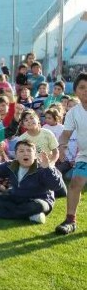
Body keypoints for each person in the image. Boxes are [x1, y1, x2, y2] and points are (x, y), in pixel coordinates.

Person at [0, 140, 66, 223]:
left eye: (29, 151)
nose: (25, 153)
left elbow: (56, 186)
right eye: (21, 151)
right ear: (16, 155)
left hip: (39, 200)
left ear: (35, 155)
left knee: (35, 206)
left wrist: (47, 169)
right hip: (17, 198)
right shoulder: (11, 165)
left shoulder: (42, 167)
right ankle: (31, 216)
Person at [55, 73, 87, 234]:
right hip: (85, 156)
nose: (85, 91)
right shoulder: (74, 112)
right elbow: (66, 134)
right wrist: (61, 145)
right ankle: (70, 221)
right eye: (82, 87)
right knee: (75, 184)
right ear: (75, 91)